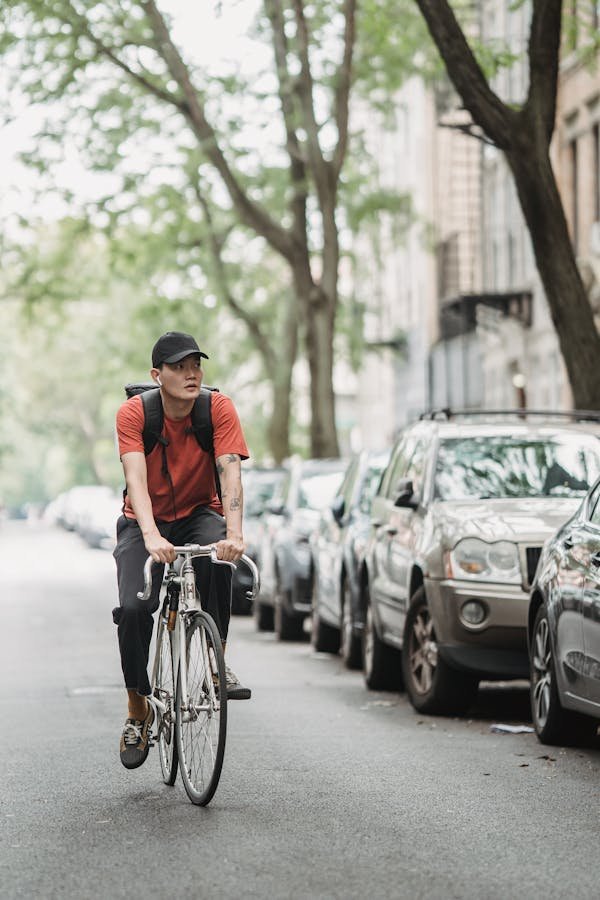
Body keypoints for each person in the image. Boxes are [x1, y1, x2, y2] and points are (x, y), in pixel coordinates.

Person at [112, 331, 250, 770]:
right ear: (157, 375)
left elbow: (230, 473)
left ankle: (215, 662)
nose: (191, 374)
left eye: (196, 365)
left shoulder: (218, 408)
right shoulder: (134, 414)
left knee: (217, 558)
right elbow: (136, 480)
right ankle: (139, 708)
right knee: (134, 609)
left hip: (197, 512)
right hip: (143, 521)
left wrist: (234, 534)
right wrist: (151, 536)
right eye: (178, 367)